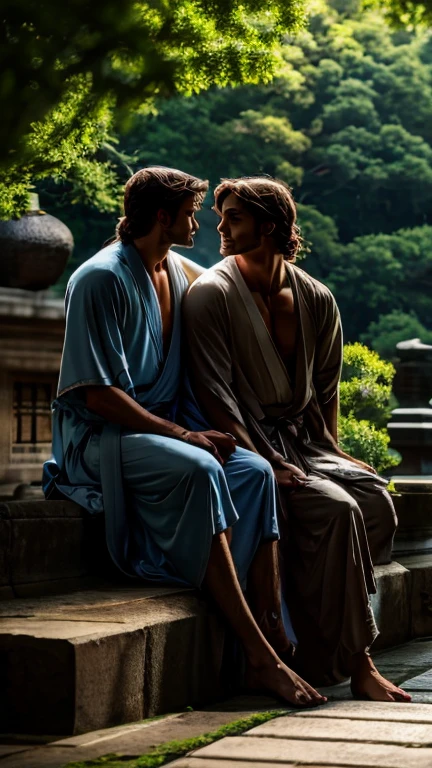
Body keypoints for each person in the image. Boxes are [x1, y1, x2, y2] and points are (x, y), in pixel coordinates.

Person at [42, 166, 326, 708]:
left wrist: (286, 293)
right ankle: (260, 654)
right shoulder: (100, 279)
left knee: (254, 470)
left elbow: (232, 285)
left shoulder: (174, 268)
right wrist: (182, 432)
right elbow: (97, 394)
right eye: (195, 213)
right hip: (104, 438)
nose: (203, 223)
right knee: (199, 467)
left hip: (163, 433)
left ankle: (270, 616)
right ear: (164, 216)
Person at [183, 175, 411, 703]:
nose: (220, 227)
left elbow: (325, 390)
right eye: (220, 216)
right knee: (336, 510)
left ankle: (317, 646)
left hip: (304, 442)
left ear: (269, 225)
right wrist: (267, 461)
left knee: (376, 501)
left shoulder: (315, 298)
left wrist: (333, 450)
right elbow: (216, 396)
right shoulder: (212, 295)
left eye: (233, 217)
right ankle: (360, 663)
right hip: (248, 443)